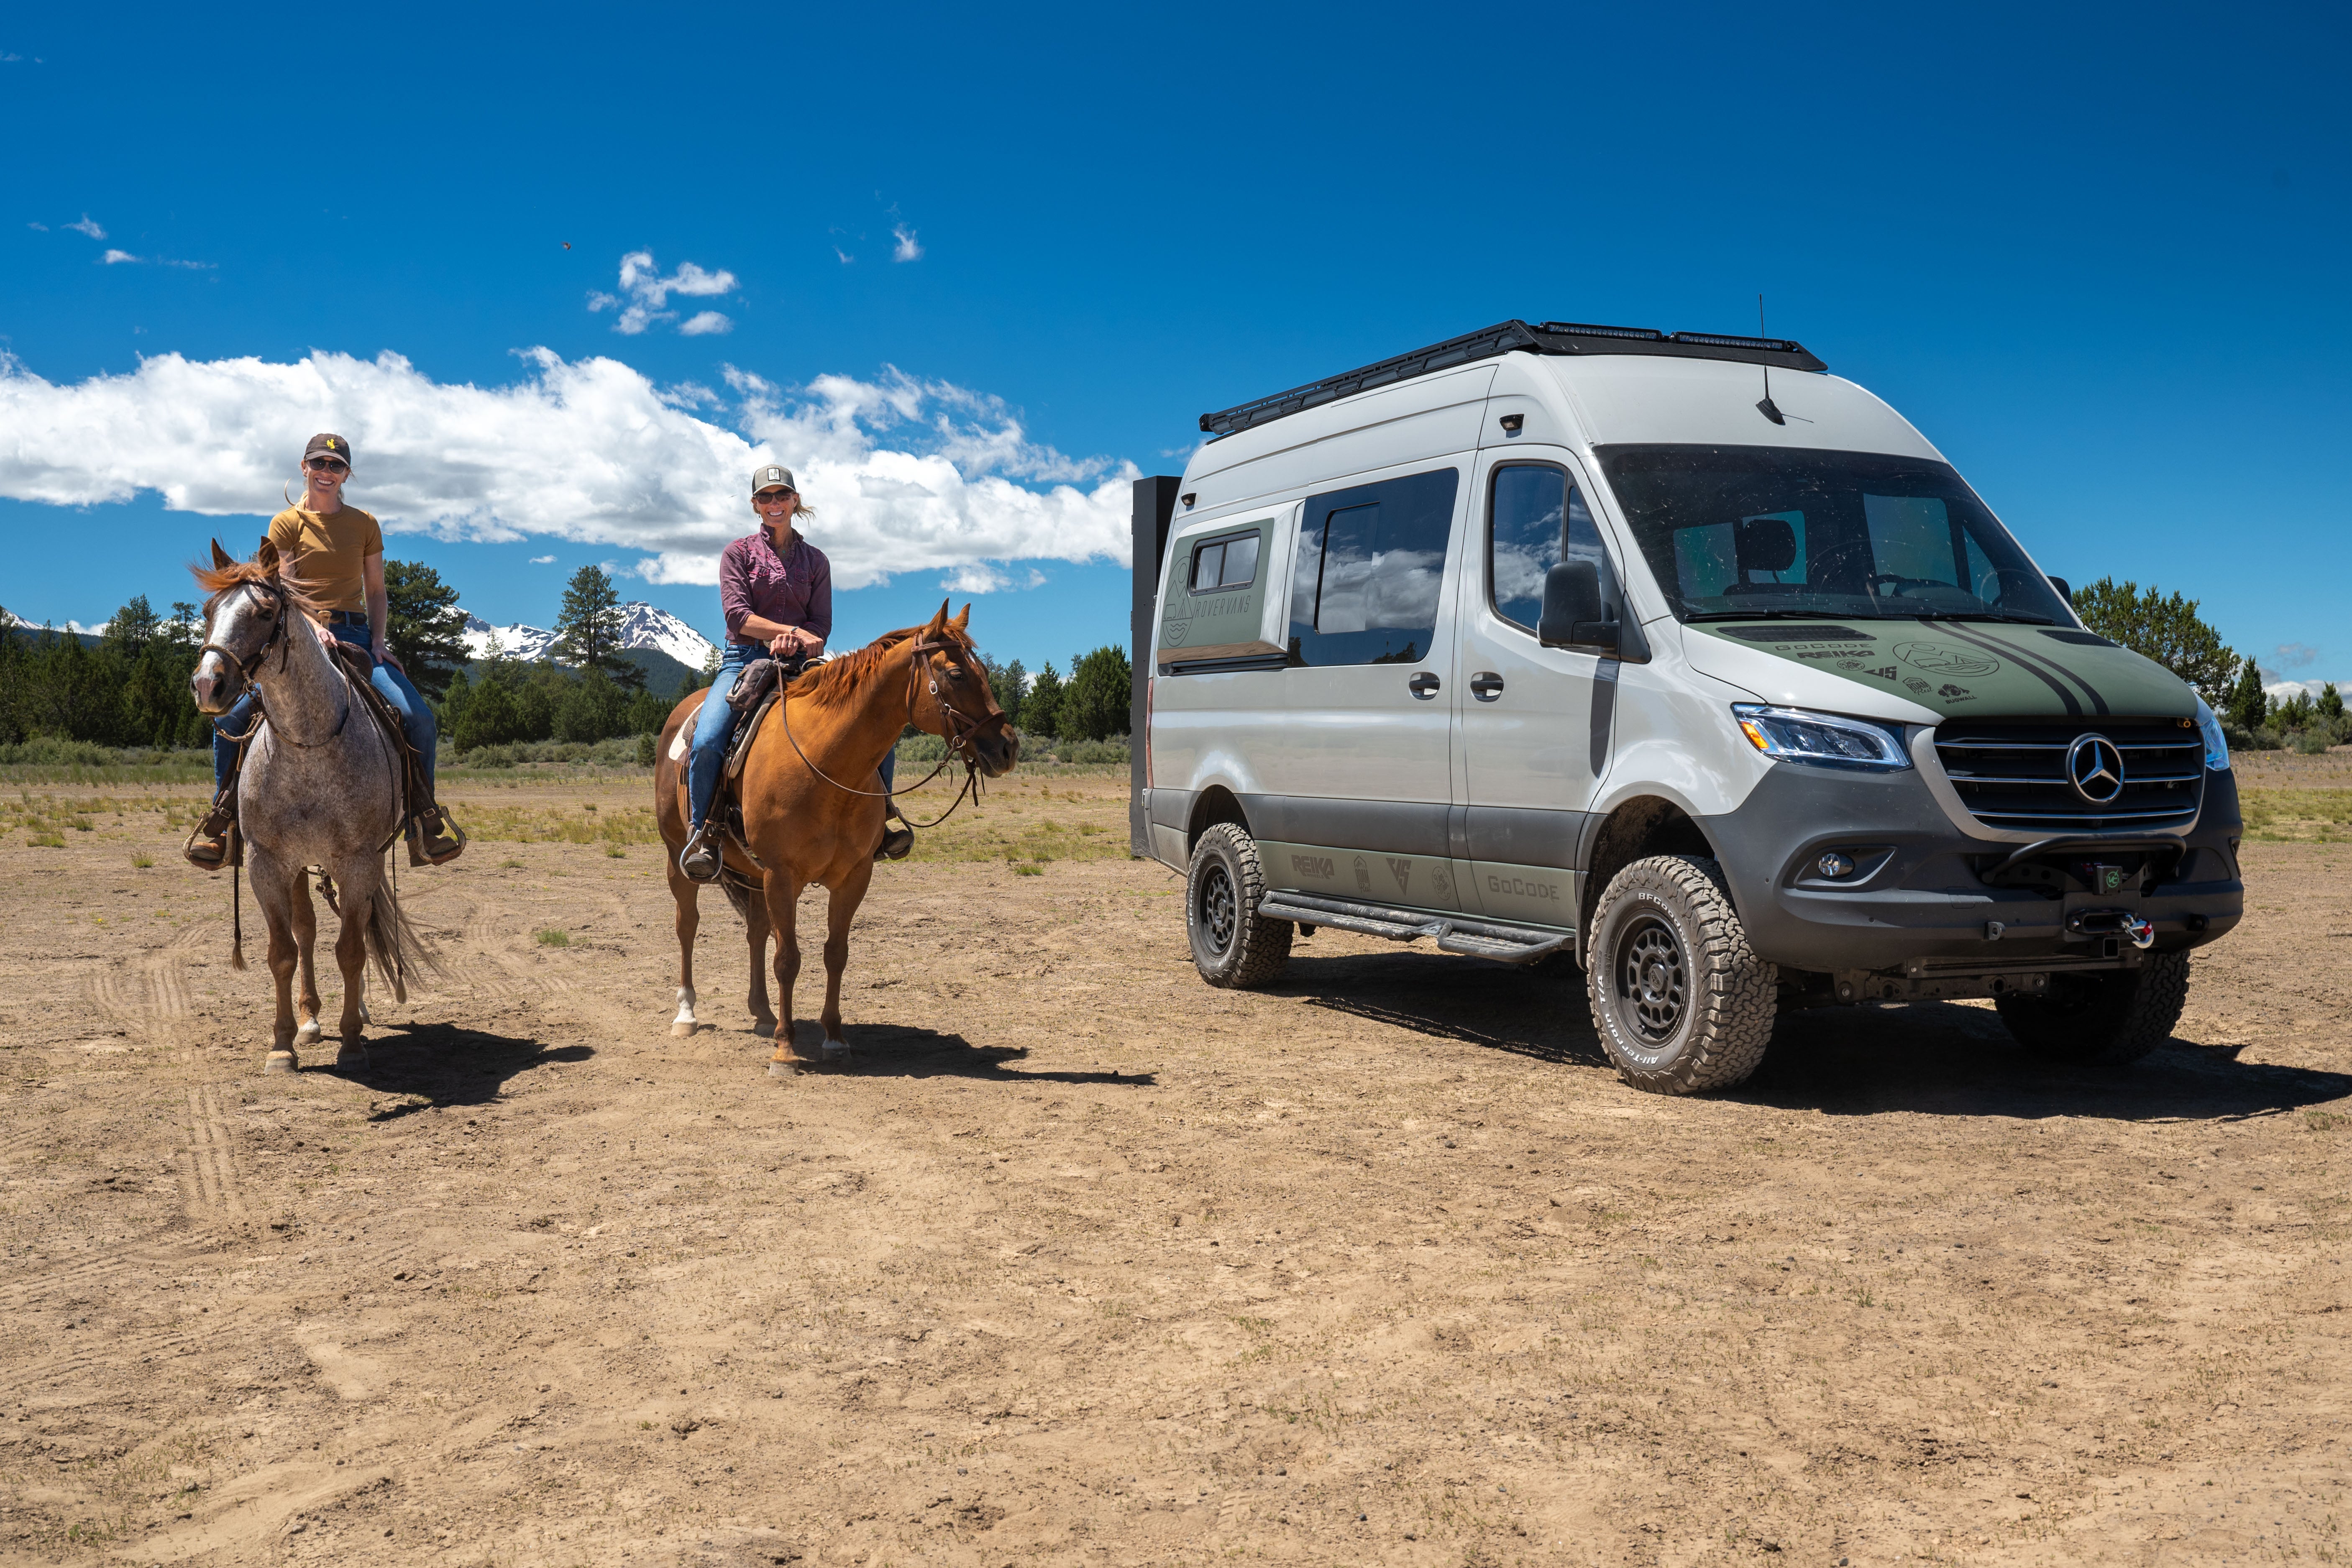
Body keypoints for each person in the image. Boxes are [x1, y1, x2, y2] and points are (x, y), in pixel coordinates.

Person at [184, 433, 464, 870]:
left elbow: (376, 590)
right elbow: (287, 588)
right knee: (230, 720)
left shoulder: (365, 523)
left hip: (355, 634)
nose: (327, 472)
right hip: (297, 633)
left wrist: (377, 643)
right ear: (304, 467)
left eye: (336, 465)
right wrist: (314, 627)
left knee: (417, 719)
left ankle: (423, 821)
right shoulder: (287, 524)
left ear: (347, 473)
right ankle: (223, 819)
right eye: (319, 463)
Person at [678, 464, 908, 881]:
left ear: (794, 500)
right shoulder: (738, 553)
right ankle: (704, 832)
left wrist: (803, 638)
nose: (774, 504)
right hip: (744, 659)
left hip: (804, 665)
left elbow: (821, 622)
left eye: (781, 495)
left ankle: (882, 818)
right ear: (754, 505)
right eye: (765, 497)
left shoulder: (816, 561)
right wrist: (786, 632)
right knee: (709, 738)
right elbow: (737, 615)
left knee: (874, 725)